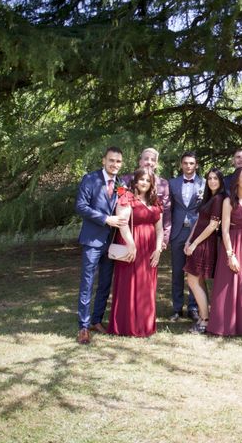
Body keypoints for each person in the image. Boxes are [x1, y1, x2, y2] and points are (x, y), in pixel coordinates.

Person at [74, 146, 126, 344]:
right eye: (111, 160)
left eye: (118, 161)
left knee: (105, 283)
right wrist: (105, 219)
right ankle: (83, 327)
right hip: (92, 240)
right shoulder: (90, 179)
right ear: (103, 160)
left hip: (111, 242)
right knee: (87, 283)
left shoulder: (121, 183)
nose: (114, 164)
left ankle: (97, 320)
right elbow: (81, 206)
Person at [107, 168, 164, 337]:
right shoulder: (127, 197)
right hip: (132, 243)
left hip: (150, 248)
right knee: (130, 283)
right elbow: (123, 223)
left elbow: (159, 229)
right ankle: (127, 325)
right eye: (141, 179)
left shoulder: (155, 201)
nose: (144, 183)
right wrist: (131, 244)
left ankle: (145, 325)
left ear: (152, 182)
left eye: (148, 180)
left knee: (146, 285)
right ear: (136, 181)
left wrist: (158, 249)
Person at [207, 167, 242, 337]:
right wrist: (231, 255)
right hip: (233, 243)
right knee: (229, 283)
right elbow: (224, 230)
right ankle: (224, 324)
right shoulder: (228, 201)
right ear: (237, 179)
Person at [183, 168, 227, 334]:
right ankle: (204, 316)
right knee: (198, 280)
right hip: (196, 240)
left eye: (216, 178)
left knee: (193, 281)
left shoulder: (219, 199)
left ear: (221, 181)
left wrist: (195, 244)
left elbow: (213, 225)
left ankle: (206, 319)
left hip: (205, 243)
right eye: (210, 178)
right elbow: (199, 221)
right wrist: (189, 240)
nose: (212, 181)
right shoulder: (209, 198)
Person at [169, 151, 204, 322]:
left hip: (196, 233)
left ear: (196, 165)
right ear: (181, 165)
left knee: (194, 271)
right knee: (176, 271)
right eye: (185, 163)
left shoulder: (205, 183)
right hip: (177, 231)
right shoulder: (172, 183)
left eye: (191, 163)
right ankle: (177, 308)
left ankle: (193, 307)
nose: (188, 166)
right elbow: (169, 209)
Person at [121, 147, 171, 248]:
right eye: (146, 159)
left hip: (151, 235)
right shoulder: (126, 180)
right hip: (128, 232)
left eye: (153, 160)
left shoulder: (163, 184)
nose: (149, 162)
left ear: (156, 164)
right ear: (140, 162)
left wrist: (164, 238)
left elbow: (166, 212)